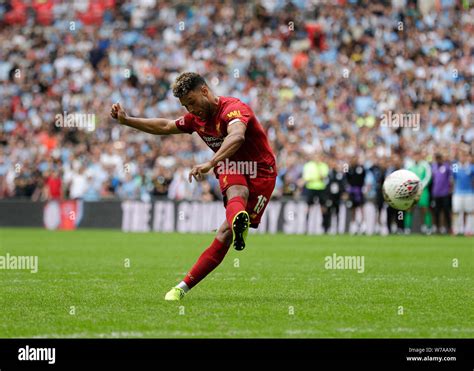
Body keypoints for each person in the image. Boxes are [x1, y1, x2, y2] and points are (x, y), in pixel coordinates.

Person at [110, 72, 277, 301]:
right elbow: (166, 126)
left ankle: (238, 224)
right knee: (235, 196)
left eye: (192, 102)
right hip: (230, 164)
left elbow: (237, 137)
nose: (190, 110)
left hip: (261, 172)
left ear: (205, 91)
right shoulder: (196, 120)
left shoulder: (234, 109)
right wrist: (127, 120)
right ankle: (180, 288)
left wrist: (210, 162)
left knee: (226, 232)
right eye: (185, 106)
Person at [404, 150, 432, 234]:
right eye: (415, 155)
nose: (416, 157)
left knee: (425, 209)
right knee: (409, 209)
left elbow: (428, 177)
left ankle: (427, 227)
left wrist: (421, 185)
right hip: (412, 191)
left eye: (418, 155)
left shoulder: (425, 165)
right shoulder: (409, 165)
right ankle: (407, 228)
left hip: (423, 191)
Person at [302, 152, 329, 232]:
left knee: (323, 207)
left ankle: (325, 227)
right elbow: (306, 178)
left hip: (321, 188)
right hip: (311, 188)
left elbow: (323, 176)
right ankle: (306, 227)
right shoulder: (308, 165)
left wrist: (316, 175)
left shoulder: (323, 165)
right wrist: (316, 178)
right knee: (308, 207)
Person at [452, 150, 474, 236]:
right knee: (456, 211)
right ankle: (457, 230)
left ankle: (469, 230)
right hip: (458, 192)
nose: (463, 158)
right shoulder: (455, 166)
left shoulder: (471, 167)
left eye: (464, 156)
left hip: (469, 192)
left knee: (470, 211)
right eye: (461, 156)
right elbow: (453, 178)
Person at [431, 153, 453, 234]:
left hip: (445, 193)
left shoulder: (447, 166)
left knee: (446, 211)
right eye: (437, 158)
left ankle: (449, 227)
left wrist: (451, 189)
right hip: (436, 193)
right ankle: (437, 228)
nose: (438, 160)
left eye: (439, 158)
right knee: (436, 211)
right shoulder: (433, 167)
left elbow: (453, 175)